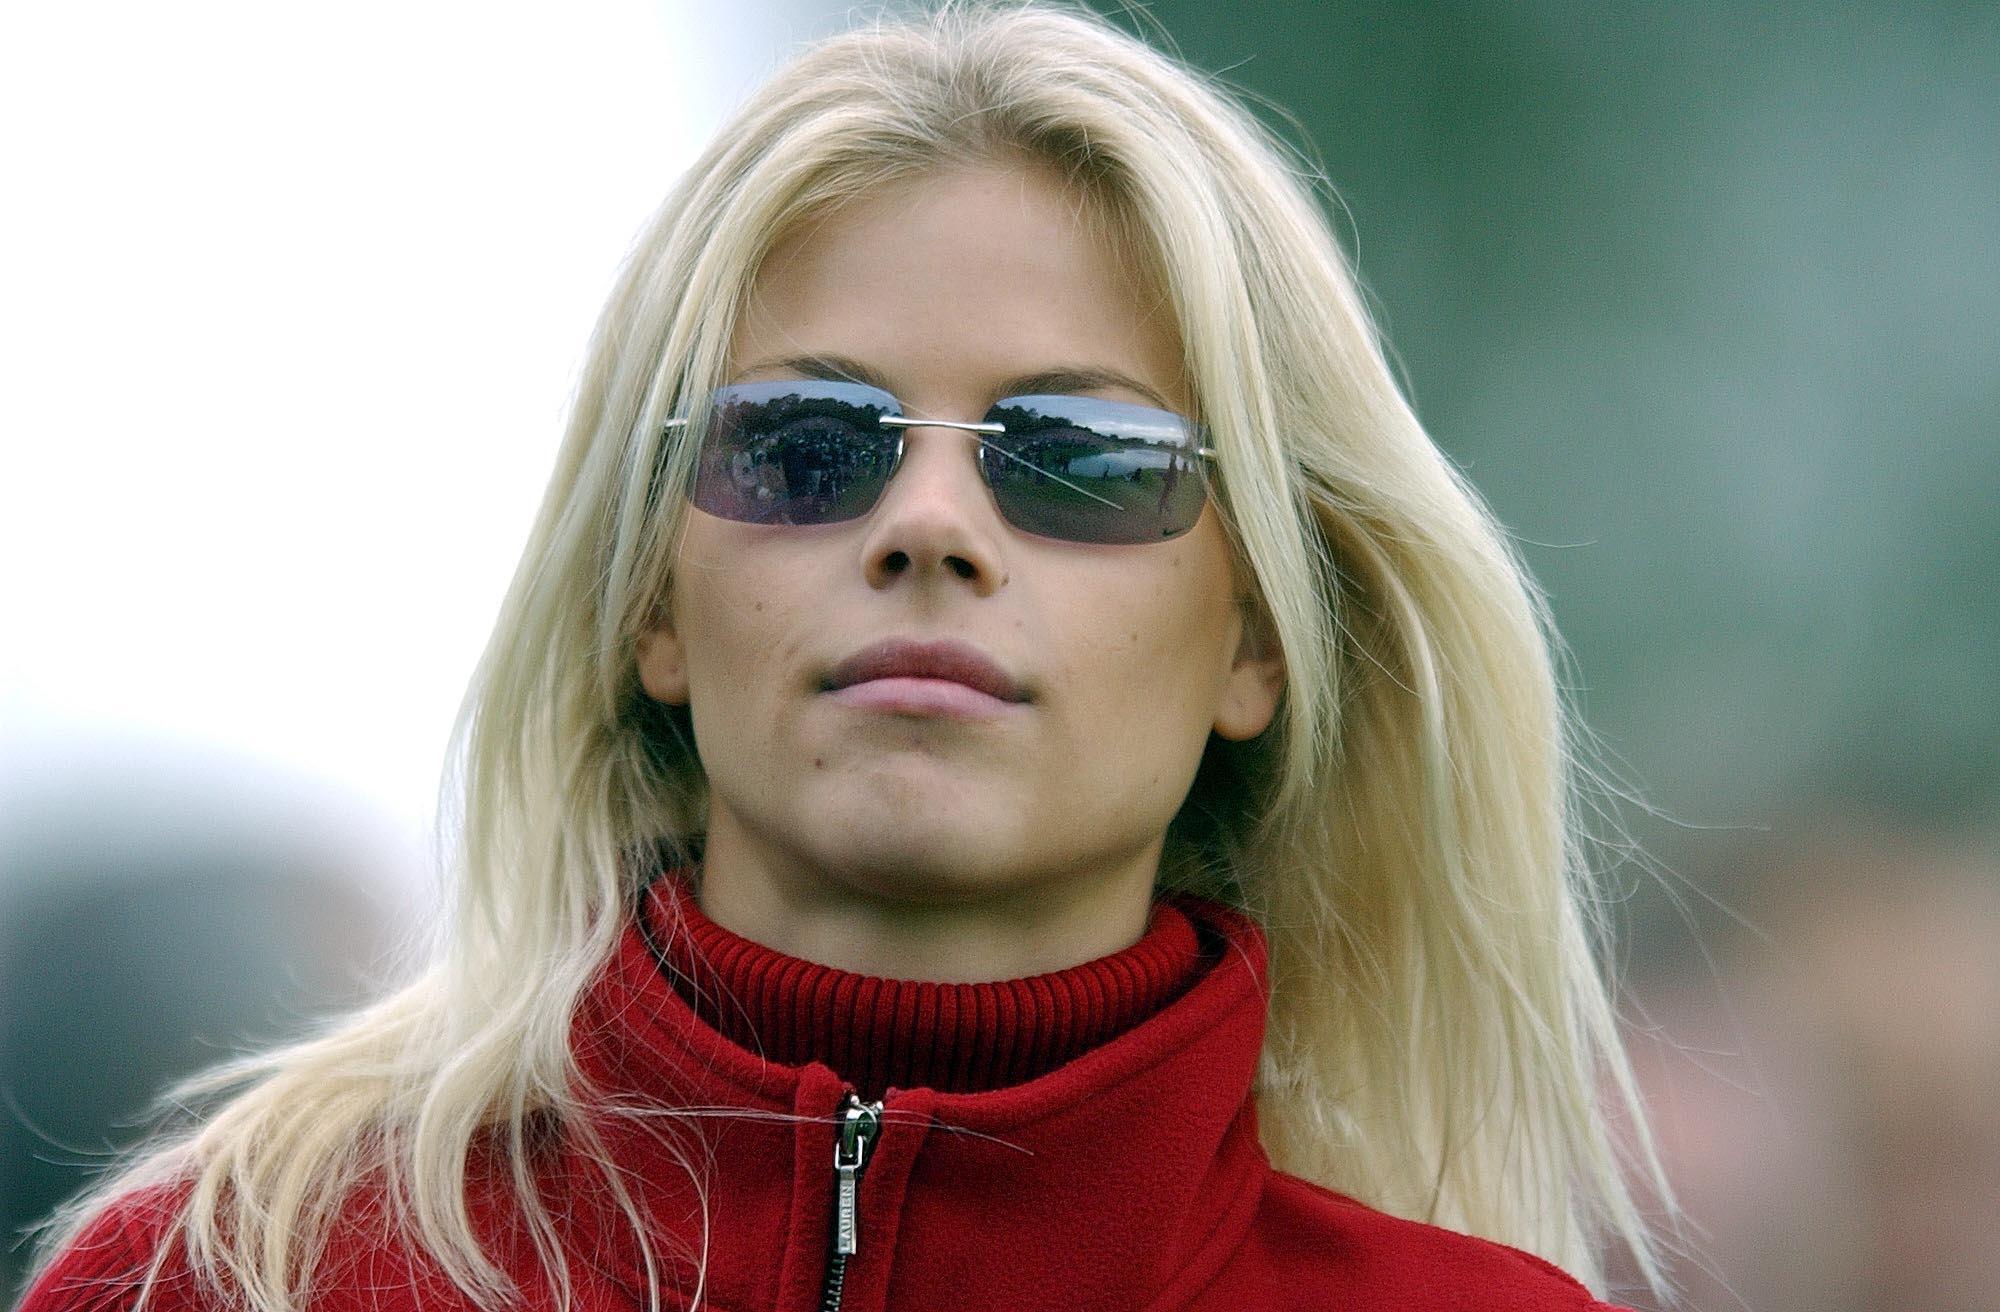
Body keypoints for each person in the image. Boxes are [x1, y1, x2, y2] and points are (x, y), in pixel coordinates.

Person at [17, 4, 1672, 1310]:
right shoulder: (232, 1285)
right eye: (808, 442)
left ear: (1259, 640)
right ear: (652, 603)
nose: (932, 525)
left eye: (1079, 454)